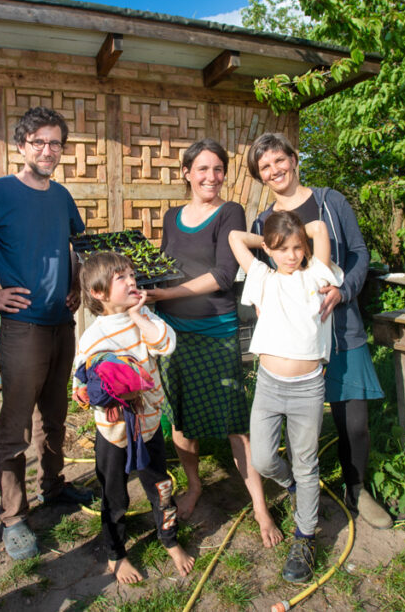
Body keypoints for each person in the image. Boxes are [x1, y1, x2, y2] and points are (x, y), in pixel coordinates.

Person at [0, 106, 92, 562]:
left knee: (56, 415)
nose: (47, 151)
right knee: (16, 423)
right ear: (22, 146)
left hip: (61, 324)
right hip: (23, 326)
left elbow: (75, 247)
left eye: (55, 143)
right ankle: (12, 516)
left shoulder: (62, 196)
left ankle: (54, 487)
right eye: (38, 142)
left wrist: (74, 286)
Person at [247, 132, 393, 530]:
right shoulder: (264, 222)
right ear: (260, 176)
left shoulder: (331, 202)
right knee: (299, 429)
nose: (275, 170)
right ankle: (303, 490)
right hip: (296, 340)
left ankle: (357, 488)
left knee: (354, 418)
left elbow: (360, 253)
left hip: (341, 323)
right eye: (265, 167)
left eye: (279, 160)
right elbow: (270, 275)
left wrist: (344, 291)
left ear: (293, 159)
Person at [145, 138, 281, 547]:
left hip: (214, 330)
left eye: (218, 169)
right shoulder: (172, 216)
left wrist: (167, 294)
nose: (211, 177)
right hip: (173, 333)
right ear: (186, 173)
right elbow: (166, 265)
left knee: (235, 424)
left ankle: (259, 506)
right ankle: (194, 485)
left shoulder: (229, 212)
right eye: (202, 169)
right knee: (183, 419)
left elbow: (224, 275)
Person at [228, 212, 342, 583]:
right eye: (283, 249)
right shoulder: (262, 277)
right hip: (268, 385)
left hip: (308, 387)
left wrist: (296, 231)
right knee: (262, 458)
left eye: (297, 249)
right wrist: (268, 241)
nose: (291, 255)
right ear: (271, 250)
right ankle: (292, 486)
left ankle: (304, 538)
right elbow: (234, 238)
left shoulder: (316, 275)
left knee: (307, 462)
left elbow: (320, 228)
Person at [72, 252, 196, 584]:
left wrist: (139, 315)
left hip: (149, 426)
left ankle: (169, 541)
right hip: (112, 433)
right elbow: (80, 387)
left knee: (161, 486)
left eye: (132, 275)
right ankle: (117, 555)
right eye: (121, 278)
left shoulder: (145, 320)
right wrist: (106, 390)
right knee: (114, 496)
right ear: (98, 292)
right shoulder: (92, 338)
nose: (132, 281)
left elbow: (167, 343)